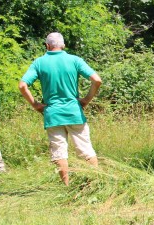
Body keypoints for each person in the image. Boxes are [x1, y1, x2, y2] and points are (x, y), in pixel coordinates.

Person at [18, 32, 102, 185]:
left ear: (47, 45)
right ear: (63, 45)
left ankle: (66, 186)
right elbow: (97, 80)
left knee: (59, 153)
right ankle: (95, 183)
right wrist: (86, 100)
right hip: (74, 112)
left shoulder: (39, 63)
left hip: (53, 114)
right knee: (85, 150)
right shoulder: (75, 60)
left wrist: (36, 105)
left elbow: (22, 86)